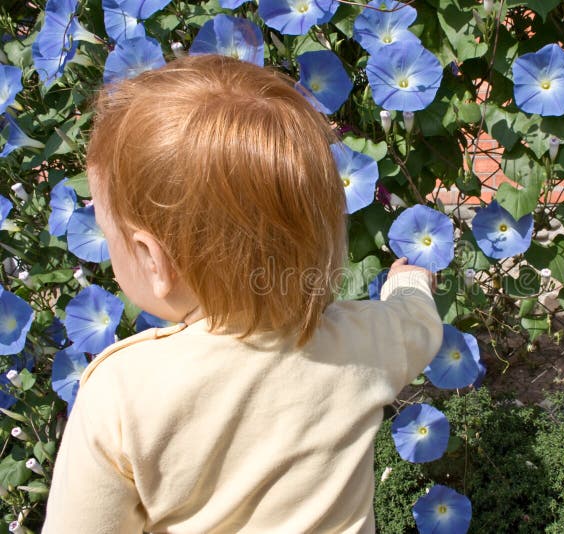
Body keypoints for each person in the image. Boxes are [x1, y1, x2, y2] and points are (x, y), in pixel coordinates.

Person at [43, 54, 442, 533]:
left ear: (152, 260)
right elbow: (418, 321)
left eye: (110, 235)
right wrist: (409, 281)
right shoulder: (363, 340)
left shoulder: (121, 394)